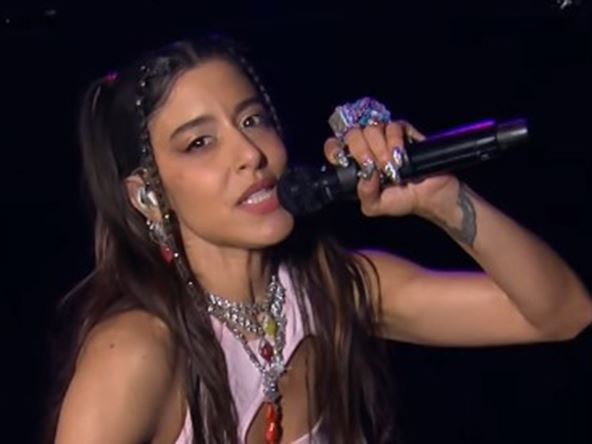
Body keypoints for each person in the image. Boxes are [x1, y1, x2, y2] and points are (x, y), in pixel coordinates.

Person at [48, 35, 592, 444]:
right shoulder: (136, 352)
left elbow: (564, 313)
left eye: (253, 120)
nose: (250, 154)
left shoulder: (333, 290)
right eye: (199, 143)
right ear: (147, 195)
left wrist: (444, 202)